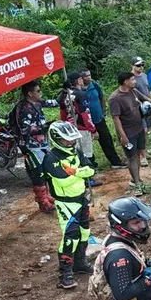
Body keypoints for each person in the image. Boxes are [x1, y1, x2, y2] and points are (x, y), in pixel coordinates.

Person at [42, 122, 95, 289]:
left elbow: (91, 169)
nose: (71, 143)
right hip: (65, 203)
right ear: (57, 139)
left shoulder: (76, 151)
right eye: (67, 140)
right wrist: (80, 173)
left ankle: (80, 263)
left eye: (72, 140)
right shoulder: (51, 158)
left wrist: (75, 172)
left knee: (85, 232)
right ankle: (65, 272)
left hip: (81, 198)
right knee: (70, 237)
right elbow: (64, 181)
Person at [9, 81, 57, 212]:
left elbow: (54, 102)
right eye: (38, 91)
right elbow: (24, 129)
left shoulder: (37, 102)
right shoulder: (23, 109)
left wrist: (65, 91)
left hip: (42, 143)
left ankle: (47, 195)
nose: (40, 93)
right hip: (30, 146)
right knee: (38, 172)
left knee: (46, 169)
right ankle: (42, 201)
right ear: (30, 93)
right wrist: (43, 126)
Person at [109, 72, 151, 196]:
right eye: (132, 79)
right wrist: (123, 136)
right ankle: (137, 184)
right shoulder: (115, 98)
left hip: (139, 128)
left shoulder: (133, 91)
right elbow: (116, 119)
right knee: (131, 157)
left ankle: (136, 179)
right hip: (128, 132)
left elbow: (146, 98)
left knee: (137, 155)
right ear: (125, 82)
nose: (135, 81)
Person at [82, 70, 125, 168]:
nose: (88, 77)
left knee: (107, 140)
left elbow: (101, 97)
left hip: (98, 118)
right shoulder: (78, 90)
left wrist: (103, 111)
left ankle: (115, 162)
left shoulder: (94, 85)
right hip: (86, 123)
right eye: (86, 76)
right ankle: (91, 166)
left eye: (89, 75)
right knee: (87, 145)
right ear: (81, 78)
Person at [58, 72, 100, 175]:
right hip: (81, 128)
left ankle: (80, 173)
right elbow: (85, 114)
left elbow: (62, 112)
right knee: (86, 153)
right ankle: (89, 176)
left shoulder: (64, 94)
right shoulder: (81, 94)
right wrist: (93, 130)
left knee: (76, 151)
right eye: (81, 78)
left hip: (70, 128)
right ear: (78, 80)